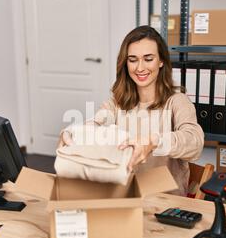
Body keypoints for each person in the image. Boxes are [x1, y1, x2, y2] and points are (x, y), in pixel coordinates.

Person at [58, 25, 204, 195]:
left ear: (161, 61)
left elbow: (195, 142)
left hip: (164, 201)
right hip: (125, 194)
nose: (140, 68)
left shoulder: (177, 101)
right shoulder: (117, 102)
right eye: (133, 60)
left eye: (148, 59)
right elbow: (97, 122)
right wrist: (73, 132)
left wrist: (154, 141)